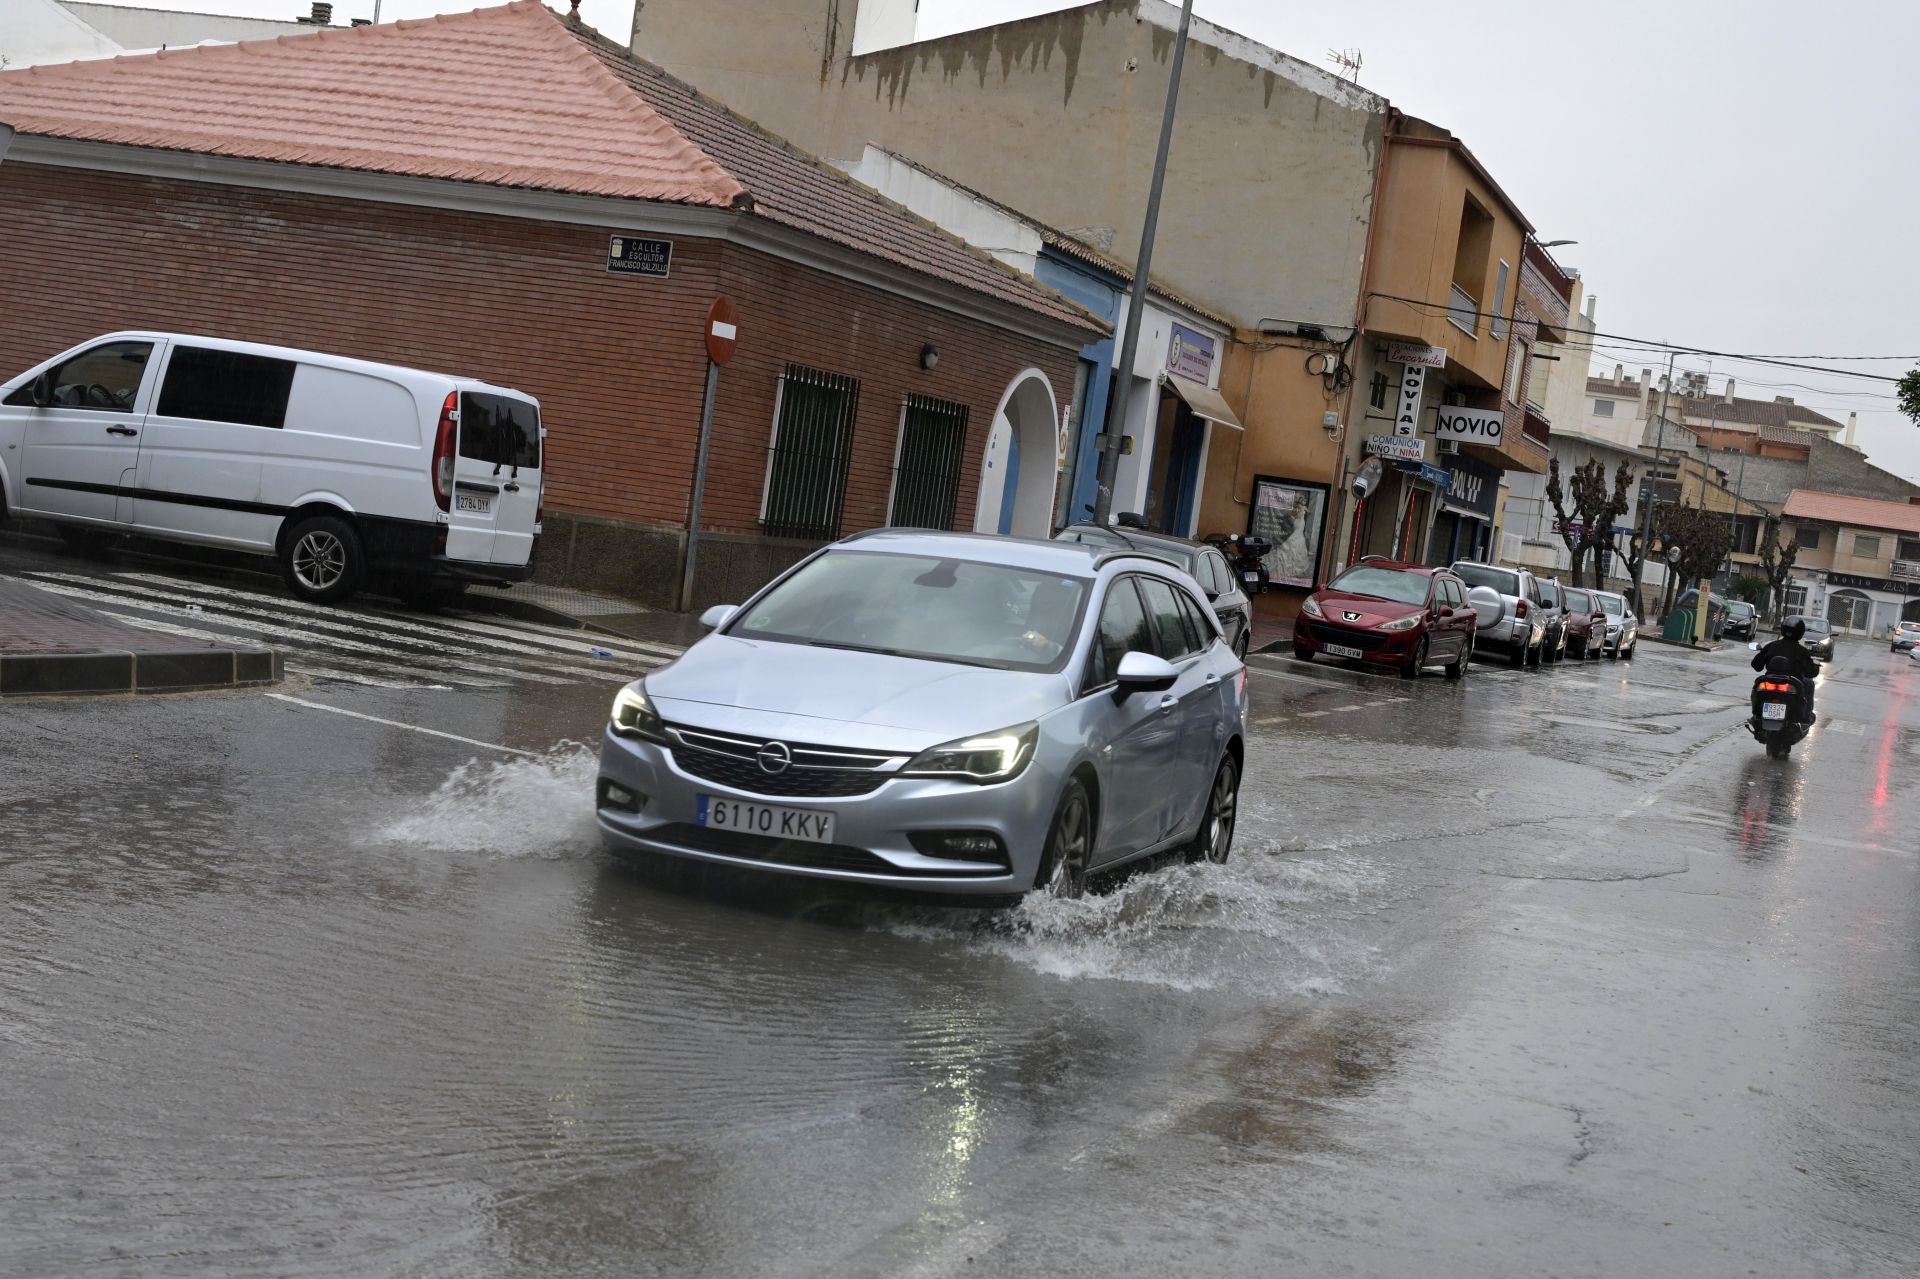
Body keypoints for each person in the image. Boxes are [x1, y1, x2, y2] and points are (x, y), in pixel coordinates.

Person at [1751, 618, 1818, 721]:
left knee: (1757, 685)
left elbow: (1756, 665)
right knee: (1809, 683)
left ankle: (1756, 712)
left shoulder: (1772, 646)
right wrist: (1816, 666)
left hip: (1770, 680)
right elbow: (1810, 673)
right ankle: (1806, 716)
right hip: (1793, 684)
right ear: (1800, 632)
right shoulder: (1802, 651)